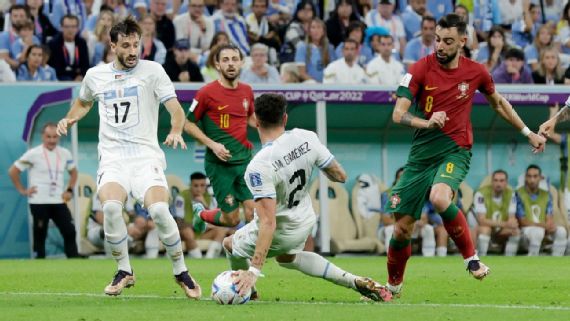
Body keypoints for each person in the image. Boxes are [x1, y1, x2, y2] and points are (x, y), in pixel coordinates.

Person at [386, 13, 545, 297]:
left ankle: (471, 259)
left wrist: (527, 132)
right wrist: (427, 121)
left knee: (439, 197)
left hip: (456, 150)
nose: (440, 46)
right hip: (420, 156)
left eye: (447, 41)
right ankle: (392, 288)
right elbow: (398, 114)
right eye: (437, 40)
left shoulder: (477, 72)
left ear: (462, 41)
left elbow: (499, 104)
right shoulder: (419, 69)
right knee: (401, 230)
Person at [55, 17, 201, 299]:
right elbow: (83, 102)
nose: (133, 50)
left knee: (159, 211)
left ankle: (181, 271)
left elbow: (176, 109)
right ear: (112, 46)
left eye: (137, 44)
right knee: (110, 208)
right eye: (126, 45)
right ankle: (124, 270)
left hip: (146, 157)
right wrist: (69, 119)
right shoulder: (95, 75)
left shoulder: (153, 71)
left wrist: (175, 129)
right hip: (113, 158)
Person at [227, 93, 392, 302]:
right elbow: (340, 176)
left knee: (229, 245)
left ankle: (247, 292)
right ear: (285, 118)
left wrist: (254, 271)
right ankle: (353, 280)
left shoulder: (258, 165)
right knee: (287, 258)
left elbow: (268, 222)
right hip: (305, 221)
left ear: (256, 121)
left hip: (281, 229)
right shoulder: (306, 137)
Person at [184, 43, 256, 231]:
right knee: (232, 219)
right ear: (217, 65)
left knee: (253, 213)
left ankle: (249, 258)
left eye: (234, 59)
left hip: (245, 162)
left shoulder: (247, 90)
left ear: (241, 63)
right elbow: (187, 123)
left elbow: (250, 118)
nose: (230, 64)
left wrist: (272, 128)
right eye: (225, 60)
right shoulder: (207, 93)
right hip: (220, 165)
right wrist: (212, 144)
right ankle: (201, 213)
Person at [8, 123, 80, 259]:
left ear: (58, 137)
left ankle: (74, 259)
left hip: (58, 200)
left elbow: (74, 173)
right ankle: (39, 260)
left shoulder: (65, 153)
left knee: (69, 230)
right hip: (39, 201)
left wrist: (69, 190)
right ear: (42, 137)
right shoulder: (33, 153)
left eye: (54, 137)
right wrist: (22, 190)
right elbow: (13, 171)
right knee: (40, 233)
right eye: (48, 137)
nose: (52, 140)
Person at [172, 172, 230, 259]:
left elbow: (214, 219)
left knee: (222, 229)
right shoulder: (182, 197)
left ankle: (210, 258)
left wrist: (204, 203)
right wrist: (196, 225)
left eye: (202, 185)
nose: (199, 189)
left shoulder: (210, 198)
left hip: (203, 233)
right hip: (186, 233)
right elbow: (178, 222)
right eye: (196, 186)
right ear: (190, 185)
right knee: (186, 231)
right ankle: (198, 259)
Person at [515, 165, 567, 256]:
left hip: (543, 228)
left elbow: (549, 216)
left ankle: (556, 260)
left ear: (540, 178)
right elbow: (522, 221)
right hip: (525, 231)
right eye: (529, 176)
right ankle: (532, 259)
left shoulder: (547, 195)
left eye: (535, 176)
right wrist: (542, 226)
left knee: (561, 231)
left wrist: (549, 225)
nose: (532, 180)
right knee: (538, 232)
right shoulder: (518, 194)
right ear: (525, 178)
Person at [473, 169, 520, 256]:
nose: (498, 184)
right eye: (496, 180)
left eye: (502, 181)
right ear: (492, 182)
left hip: (500, 229)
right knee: (485, 229)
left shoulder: (511, 194)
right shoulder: (481, 194)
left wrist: (509, 224)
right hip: (482, 228)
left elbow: (511, 220)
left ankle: (509, 259)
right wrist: (505, 224)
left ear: (506, 183)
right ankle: (482, 258)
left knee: (515, 231)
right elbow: (481, 221)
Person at [47, 14, 90, 81]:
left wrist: (81, 75)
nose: (70, 30)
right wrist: (74, 72)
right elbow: (55, 67)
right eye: (67, 27)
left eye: (73, 27)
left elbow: (86, 65)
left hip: (79, 77)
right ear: (61, 27)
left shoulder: (82, 43)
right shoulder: (53, 44)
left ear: (77, 28)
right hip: (60, 78)